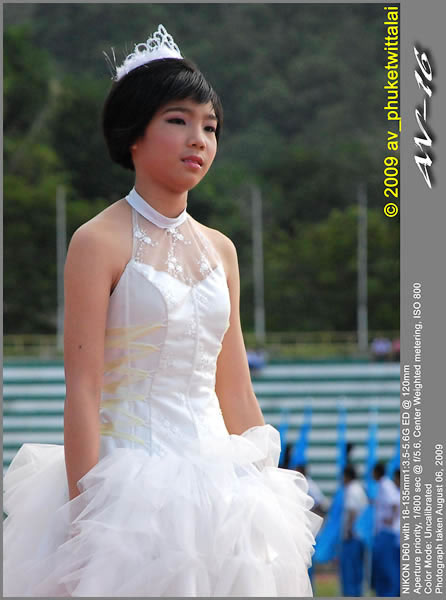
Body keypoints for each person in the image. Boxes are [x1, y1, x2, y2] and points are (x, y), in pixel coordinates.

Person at [3, 25, 322, 597]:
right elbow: (83, 389)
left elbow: (235, 388)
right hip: (127, 488)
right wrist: (84, 517)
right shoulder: (97, 241)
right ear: (133, 133)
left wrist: (265, 494)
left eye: (210, 126)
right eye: (178, 120)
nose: (198, 139)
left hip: (222, 490)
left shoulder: (222, 250)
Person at [371, 462, 400, 596]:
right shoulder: (384, 485)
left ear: (377, 472)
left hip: (387, 532)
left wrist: (391, 519)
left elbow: (394, 503)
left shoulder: (385, 484)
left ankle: (391, 594)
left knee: (387, 567)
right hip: (385, 532)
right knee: (384, 567)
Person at [339, 464, 369, 596]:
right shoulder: (360, 488)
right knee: (357, 573)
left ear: (346, 476)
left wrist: (348, 530)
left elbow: (352, 512)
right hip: (361, 536)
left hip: (352, 536)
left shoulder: (351, 489)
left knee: (349, 573)